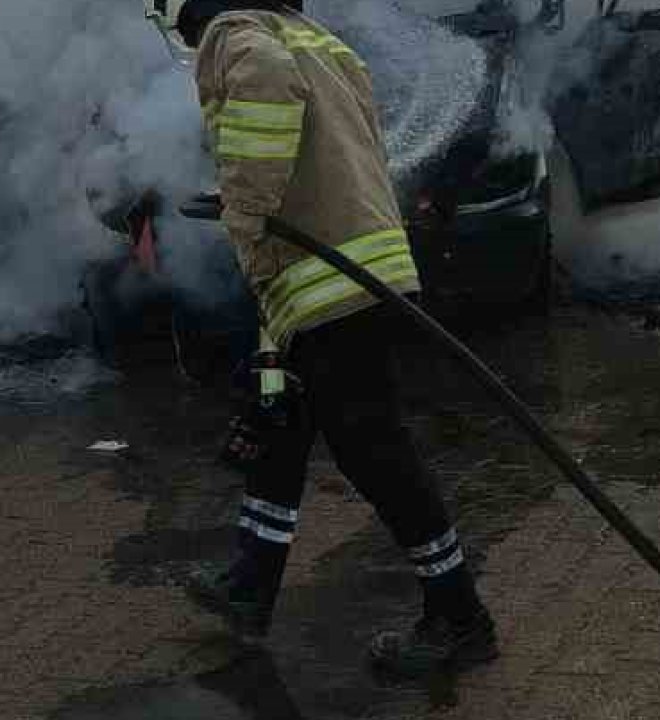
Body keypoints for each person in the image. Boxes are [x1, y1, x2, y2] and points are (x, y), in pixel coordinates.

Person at [151, 0, 498, 678]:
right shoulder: (319, 40)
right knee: (284, 424)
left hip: (329, 285)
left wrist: (247, 217)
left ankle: (461, 619)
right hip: (358, 273)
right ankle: (247, 587)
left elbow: (265, 83)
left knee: (376, 454)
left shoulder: (239, 34)